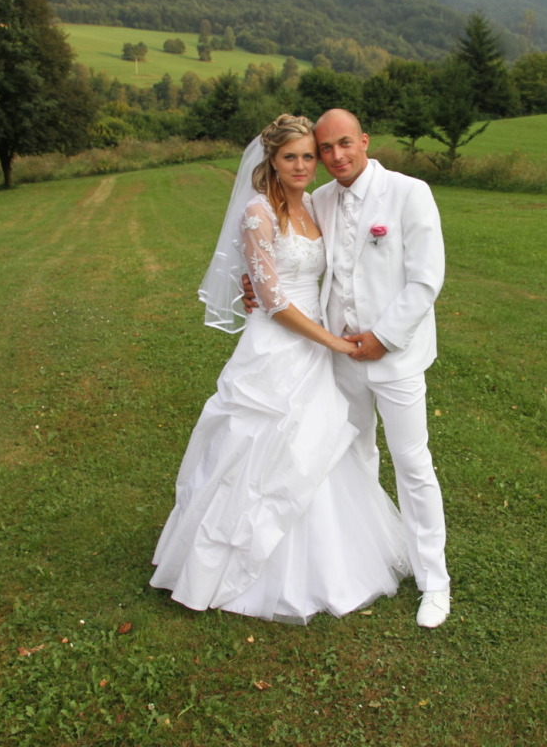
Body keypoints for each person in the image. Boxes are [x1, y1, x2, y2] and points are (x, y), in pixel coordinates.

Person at [149, 114, 410, 625]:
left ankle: (328, 562)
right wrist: (331, 341)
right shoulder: (258, 212)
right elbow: (272, 301)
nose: (302, 165)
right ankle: (235, 562)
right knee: (260, 446)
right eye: (290, 157)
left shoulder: (314, 205)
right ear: (271, 159)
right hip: (279, 346)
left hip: (314, 340)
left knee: (317, 445)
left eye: (309, 156)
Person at [244, 109, 451, 628]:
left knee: (412, 464)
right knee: (352, 456)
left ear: (364, 141)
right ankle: (369, 554)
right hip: (335, 356)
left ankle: (435, 581)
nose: (335, 156)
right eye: (325, 148)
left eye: (344, 144)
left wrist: (383, 338)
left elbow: (426, 280)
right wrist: (252, 287)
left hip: (396, 357)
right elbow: (285, 251)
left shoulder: (409, 193)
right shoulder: (319, 200)